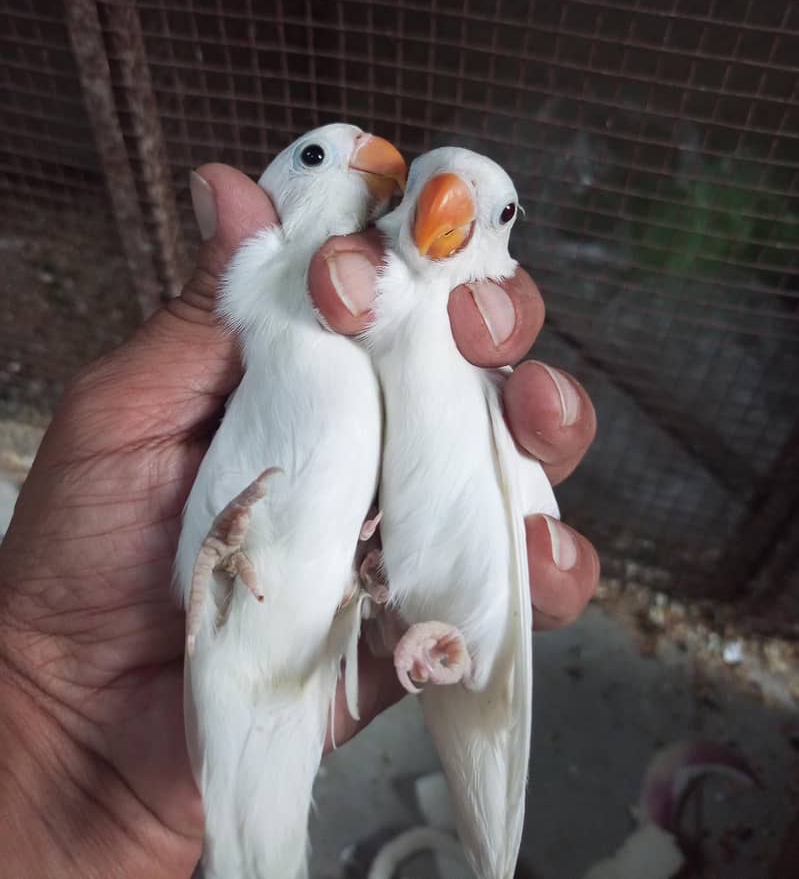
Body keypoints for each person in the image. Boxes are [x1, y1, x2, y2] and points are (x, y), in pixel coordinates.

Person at [0, 163, 598, 878]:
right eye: (425, 188)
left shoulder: (456, 360)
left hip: (342, 621)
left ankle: (425, 635)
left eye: (490, 212)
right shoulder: (331, 307)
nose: (446, 207)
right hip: (229, 632)